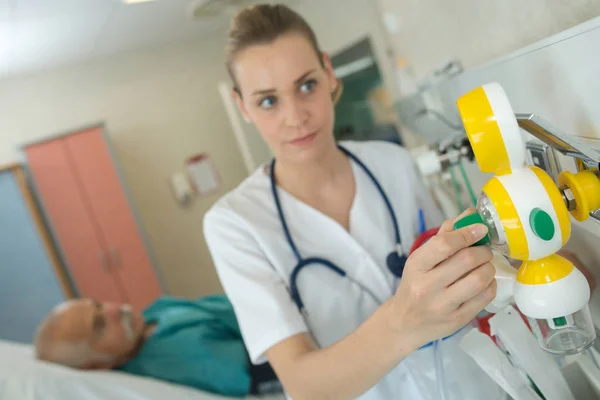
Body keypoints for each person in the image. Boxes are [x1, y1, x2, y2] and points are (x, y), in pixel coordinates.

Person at [202, 4, 504, 400]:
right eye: (268, 101)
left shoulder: (393, 163)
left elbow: (454, 278)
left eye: (306, 85)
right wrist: (405, 320)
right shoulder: (235, 224)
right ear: (243, 107)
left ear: (329, 74)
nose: (295, 116)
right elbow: (304, 386)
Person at [34, 295, 282, 397]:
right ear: (97, 365)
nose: (112, 309)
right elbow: (266, 371)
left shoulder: (155, 312)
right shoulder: (166, 364)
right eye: (100, 326)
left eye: (98, 304)